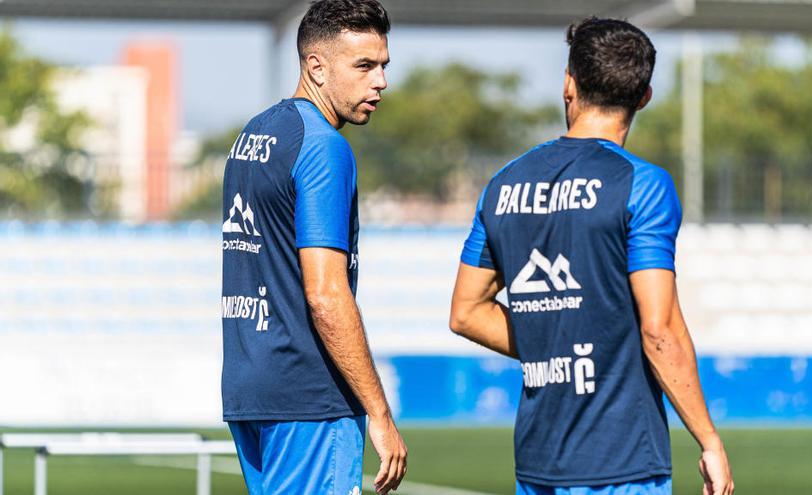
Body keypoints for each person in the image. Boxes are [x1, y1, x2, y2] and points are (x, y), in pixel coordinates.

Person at [449, 17, 734, 495]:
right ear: (644, 96)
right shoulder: (642, 185)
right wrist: (709, 440)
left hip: (537, 463)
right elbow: (659, 330)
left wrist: (552, 345)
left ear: (568, 84)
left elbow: (465, 312)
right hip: (620, 462)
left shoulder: (503, 185)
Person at [220, 1, 406, 493]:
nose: (381, 81)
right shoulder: (323, 147)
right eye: (364, 66)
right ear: (316, 67)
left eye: (384, 64)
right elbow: (325, 294)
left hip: (251, 387)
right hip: (307, 396)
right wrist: (380, 415)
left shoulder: (254, 134)